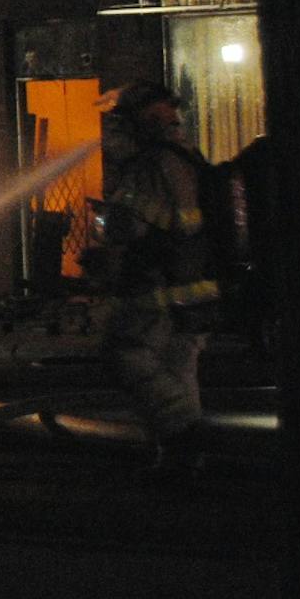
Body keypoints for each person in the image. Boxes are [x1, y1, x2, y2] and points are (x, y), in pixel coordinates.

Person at [98, 80, 219, 476]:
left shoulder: (154, 164)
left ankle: (184, 432)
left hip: (162, 289)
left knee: (125, 352)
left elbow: (136, 227)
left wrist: (117, 207)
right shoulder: (184, 156)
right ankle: (183, 462)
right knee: (179, 370)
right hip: (191, 286)